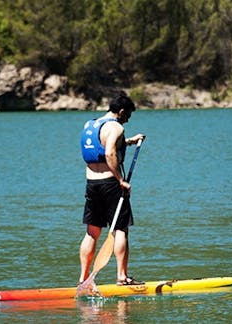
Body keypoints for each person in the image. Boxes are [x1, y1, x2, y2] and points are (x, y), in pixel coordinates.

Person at [79, 92, 146, 286]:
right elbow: (109, 153)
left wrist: (129, 141)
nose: (127, 121)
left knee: (92, 232)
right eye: (128, 116)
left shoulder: (90, 124)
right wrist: (121, 181)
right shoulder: (116, 126)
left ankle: (83, 279)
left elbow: (103, 144)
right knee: (121, 230)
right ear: (122, 111)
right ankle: (122, 277)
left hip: (92, 183)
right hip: (111, 184)